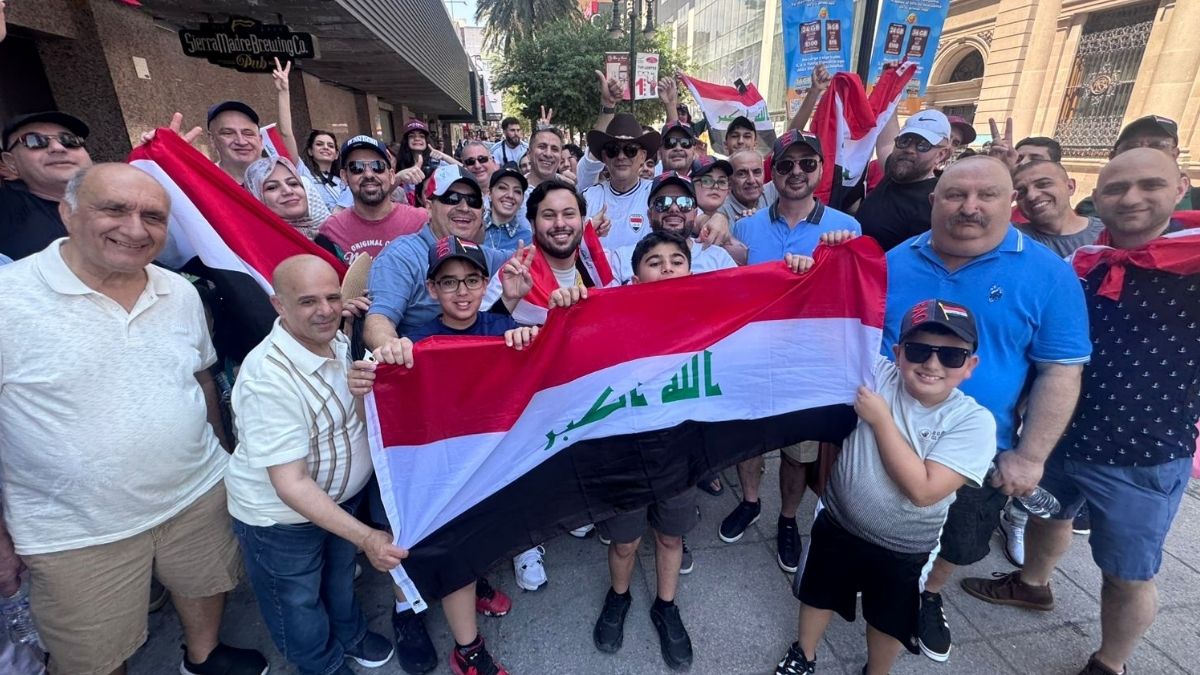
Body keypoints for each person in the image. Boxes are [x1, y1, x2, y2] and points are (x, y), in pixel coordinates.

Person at [0, 163, 268, 675]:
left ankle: (203, 655)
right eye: (114, 209)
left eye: (153, 216)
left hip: (196, 492)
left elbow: (202, 378)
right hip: (75, 530)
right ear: (68, 212)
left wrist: (223, 459)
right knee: (92, 655)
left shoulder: (180, 292)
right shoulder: (9, 299)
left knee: (206, 584)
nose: (135, 228)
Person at [959, 148, 1199, 675]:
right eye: (1115, 189)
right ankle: (1032, 585)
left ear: (1180, 186)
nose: (1131, 198)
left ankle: (1110, 663)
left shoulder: (1196, 265)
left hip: (1143, 452)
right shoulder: (1082, 265)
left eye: (1148, 185)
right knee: (1050, 514)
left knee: (1127, 572)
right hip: (1060, 432)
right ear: (1096, 196)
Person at [882, 156, 1091, 663]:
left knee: (958, 538)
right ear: (934, 201)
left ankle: (928, 595)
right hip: (886, 433)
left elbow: (1061, 370)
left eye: (987, 195)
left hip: (978, 452)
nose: (969, 207)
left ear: (1010, 202)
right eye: (955, 195)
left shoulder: (1047, 274)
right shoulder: (892, 261)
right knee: (877, 524)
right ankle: (878, 585)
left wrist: (1030, 455)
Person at [775, 299, 995, 675]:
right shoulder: (876, 375)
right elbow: (818, 332)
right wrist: (818, 268)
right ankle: (804, 653)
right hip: (840, 523)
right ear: (897, 353)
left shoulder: (973, 422)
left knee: (888, 619)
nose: (932, 364)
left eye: (951, 356)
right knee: (817, 593)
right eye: (919, 350)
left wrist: (880, 420)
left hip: (905, 547)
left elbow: (924, 490)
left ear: (970, 365)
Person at [226, 255, 397, 675]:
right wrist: (368, 538)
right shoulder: (267, 378)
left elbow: (357, 424)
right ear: (278, 305)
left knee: (339, 578)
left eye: (332, 297)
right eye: (307, 301)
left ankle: (351, 636)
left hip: (340, 502)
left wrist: (362, 391)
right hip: (280, 520)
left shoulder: (339, 341)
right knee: (297, 601)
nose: (324, 310)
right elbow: (291, 485)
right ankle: (320, 665)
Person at [722, 131, 860, 573]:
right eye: (785, 165)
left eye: (806, 163)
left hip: (806, 364)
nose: (796, 172)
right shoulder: (745, 227)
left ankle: (786, 519)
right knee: (745, 441)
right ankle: (749, 502)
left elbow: (853, 297)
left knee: (798, 452)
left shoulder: (846, 228)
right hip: (752, 358)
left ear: (820, 169)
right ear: (773, 173)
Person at [608, 172, 735, 283]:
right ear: (649, 215)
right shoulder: (622, 258)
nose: (674, 208)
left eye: (684, 203)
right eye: (662, 203)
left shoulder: (719, 258)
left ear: (695, 214)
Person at [317, 135, 428, 263]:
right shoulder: (330, 230)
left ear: (391, 175)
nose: (369, 174)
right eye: (356, 168)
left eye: (378, 166)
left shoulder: (422, 221)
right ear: (344, 176)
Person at [0, 110, 93, 260]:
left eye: (70, 140)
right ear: (11, 163)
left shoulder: (128, 199)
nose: (58, 148)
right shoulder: (6, 210)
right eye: (35, 141)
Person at [855, 110, 953, 251]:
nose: (909, 150)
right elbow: (885, 144)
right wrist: (893, 93)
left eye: (923, 145)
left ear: (941, 154)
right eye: (904, 141)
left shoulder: (939, 200)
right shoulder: (896, 170)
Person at [1075, 115, 1200, 215]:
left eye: (1157, 145)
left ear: (1175, 154)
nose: (1144, 152)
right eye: (1132, 146)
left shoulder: (1196, 201)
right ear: (1113, 156)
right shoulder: (1089, 209)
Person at [577, 113, 661, 248]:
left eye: (630, 150)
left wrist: (707, 219)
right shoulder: (587, 198)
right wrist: (585, 232)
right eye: (613, 150)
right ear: (604, 157)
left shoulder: (657, 194)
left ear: (642, 156)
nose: (621, 156)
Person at [1012, 159, 1104, 257]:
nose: (1031, 196)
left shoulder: (1111, 233)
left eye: (1043, 184)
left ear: (1070, 186)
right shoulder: (1011, 239)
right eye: (1021, 192)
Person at [244, 156, 331, 241]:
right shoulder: (253, 245)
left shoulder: (324, 240)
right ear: (256, 197)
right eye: (272, 187)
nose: (288, 191)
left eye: (293, 183)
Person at [690, 156, 748, 265]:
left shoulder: (738, 220)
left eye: (721, 182)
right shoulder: (682, 220)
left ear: (728, 191)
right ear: (691, 186)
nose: (715, 186)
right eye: (707, 180)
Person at [206, 100, 264, 186]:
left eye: (248, 133)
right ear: (212, 139)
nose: (241, 142)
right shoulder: (203, 183)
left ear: (260, 140)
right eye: (228, 133)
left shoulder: (284, 181)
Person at [718, 149, 778, 225]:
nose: (751, 180)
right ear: (729, 181)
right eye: (742, 174)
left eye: (757, 172)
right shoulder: (721, 212)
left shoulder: (773, 191)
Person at [483, 165, 532, 253]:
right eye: (503, 188)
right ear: (489, 193)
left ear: (522, 199)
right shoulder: (473, 230)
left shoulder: (528, 239)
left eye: (517, 191)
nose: (510, 195)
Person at [303, 129, 353, 211]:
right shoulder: (304, 173)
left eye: (331, 146)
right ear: (310, 151)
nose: (326, 147)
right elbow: (286, 135)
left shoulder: (343, 182)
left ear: (336, 155)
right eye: (319, 144)